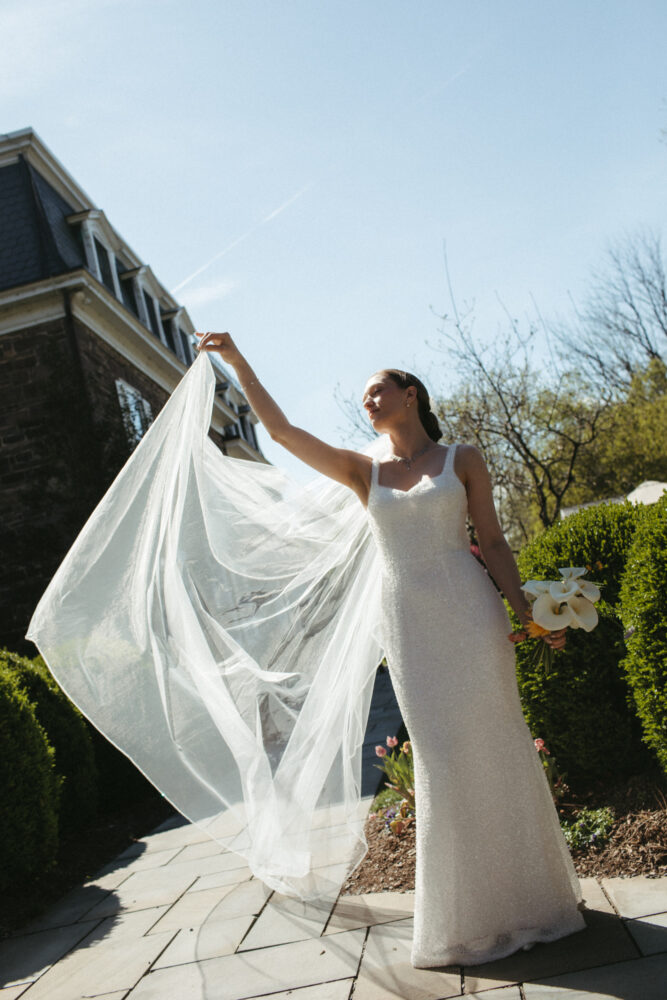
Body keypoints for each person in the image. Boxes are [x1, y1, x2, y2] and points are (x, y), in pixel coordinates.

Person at [195, 331, 586, 968]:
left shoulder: (465, 458)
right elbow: (286, 433)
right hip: (407, 621)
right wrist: (237, 363)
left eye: (379, 390)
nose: (368, 401)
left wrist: (530, 613)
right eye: (364, 396)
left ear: (410, 396)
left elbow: (493, 539)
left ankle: (534, 903)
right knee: (441, 757)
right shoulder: (364, 471)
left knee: (499, 741)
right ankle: (464, 920)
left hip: (470, 611)